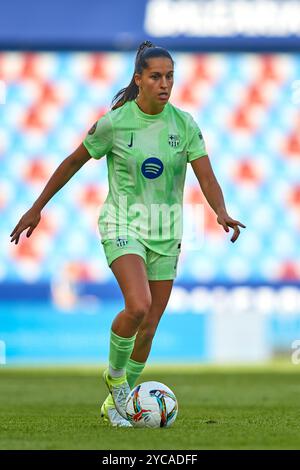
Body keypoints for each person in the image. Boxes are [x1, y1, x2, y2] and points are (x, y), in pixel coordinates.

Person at [10, 41, 246, 427]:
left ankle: (116, 406)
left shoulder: (184, 124)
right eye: (155, 76)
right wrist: (37, 207)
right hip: (123, 225)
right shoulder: (115, 123)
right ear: (138, 80)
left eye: (169, 76)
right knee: (138, 305)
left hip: (167, 232)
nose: (164, 84)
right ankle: (116, 379)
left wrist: (221, 212)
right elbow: (72, 161)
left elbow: (206, 175)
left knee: (149, 325)